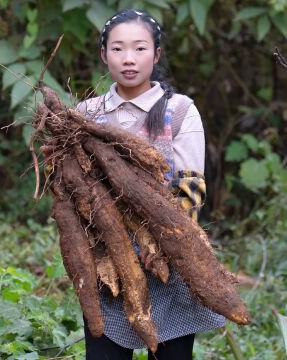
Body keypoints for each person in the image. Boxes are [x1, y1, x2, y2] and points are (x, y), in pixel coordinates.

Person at [43, 8, 225, 360]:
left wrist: (159, 241)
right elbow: (72, 186)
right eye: (118, 49)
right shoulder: (84, 113)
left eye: (140, 49)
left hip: (170, 259)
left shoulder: (180, 110)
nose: (129, 59)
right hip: (105, 263)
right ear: (103, 55)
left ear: (156, 55)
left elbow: (192, 185)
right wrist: (56, 163)